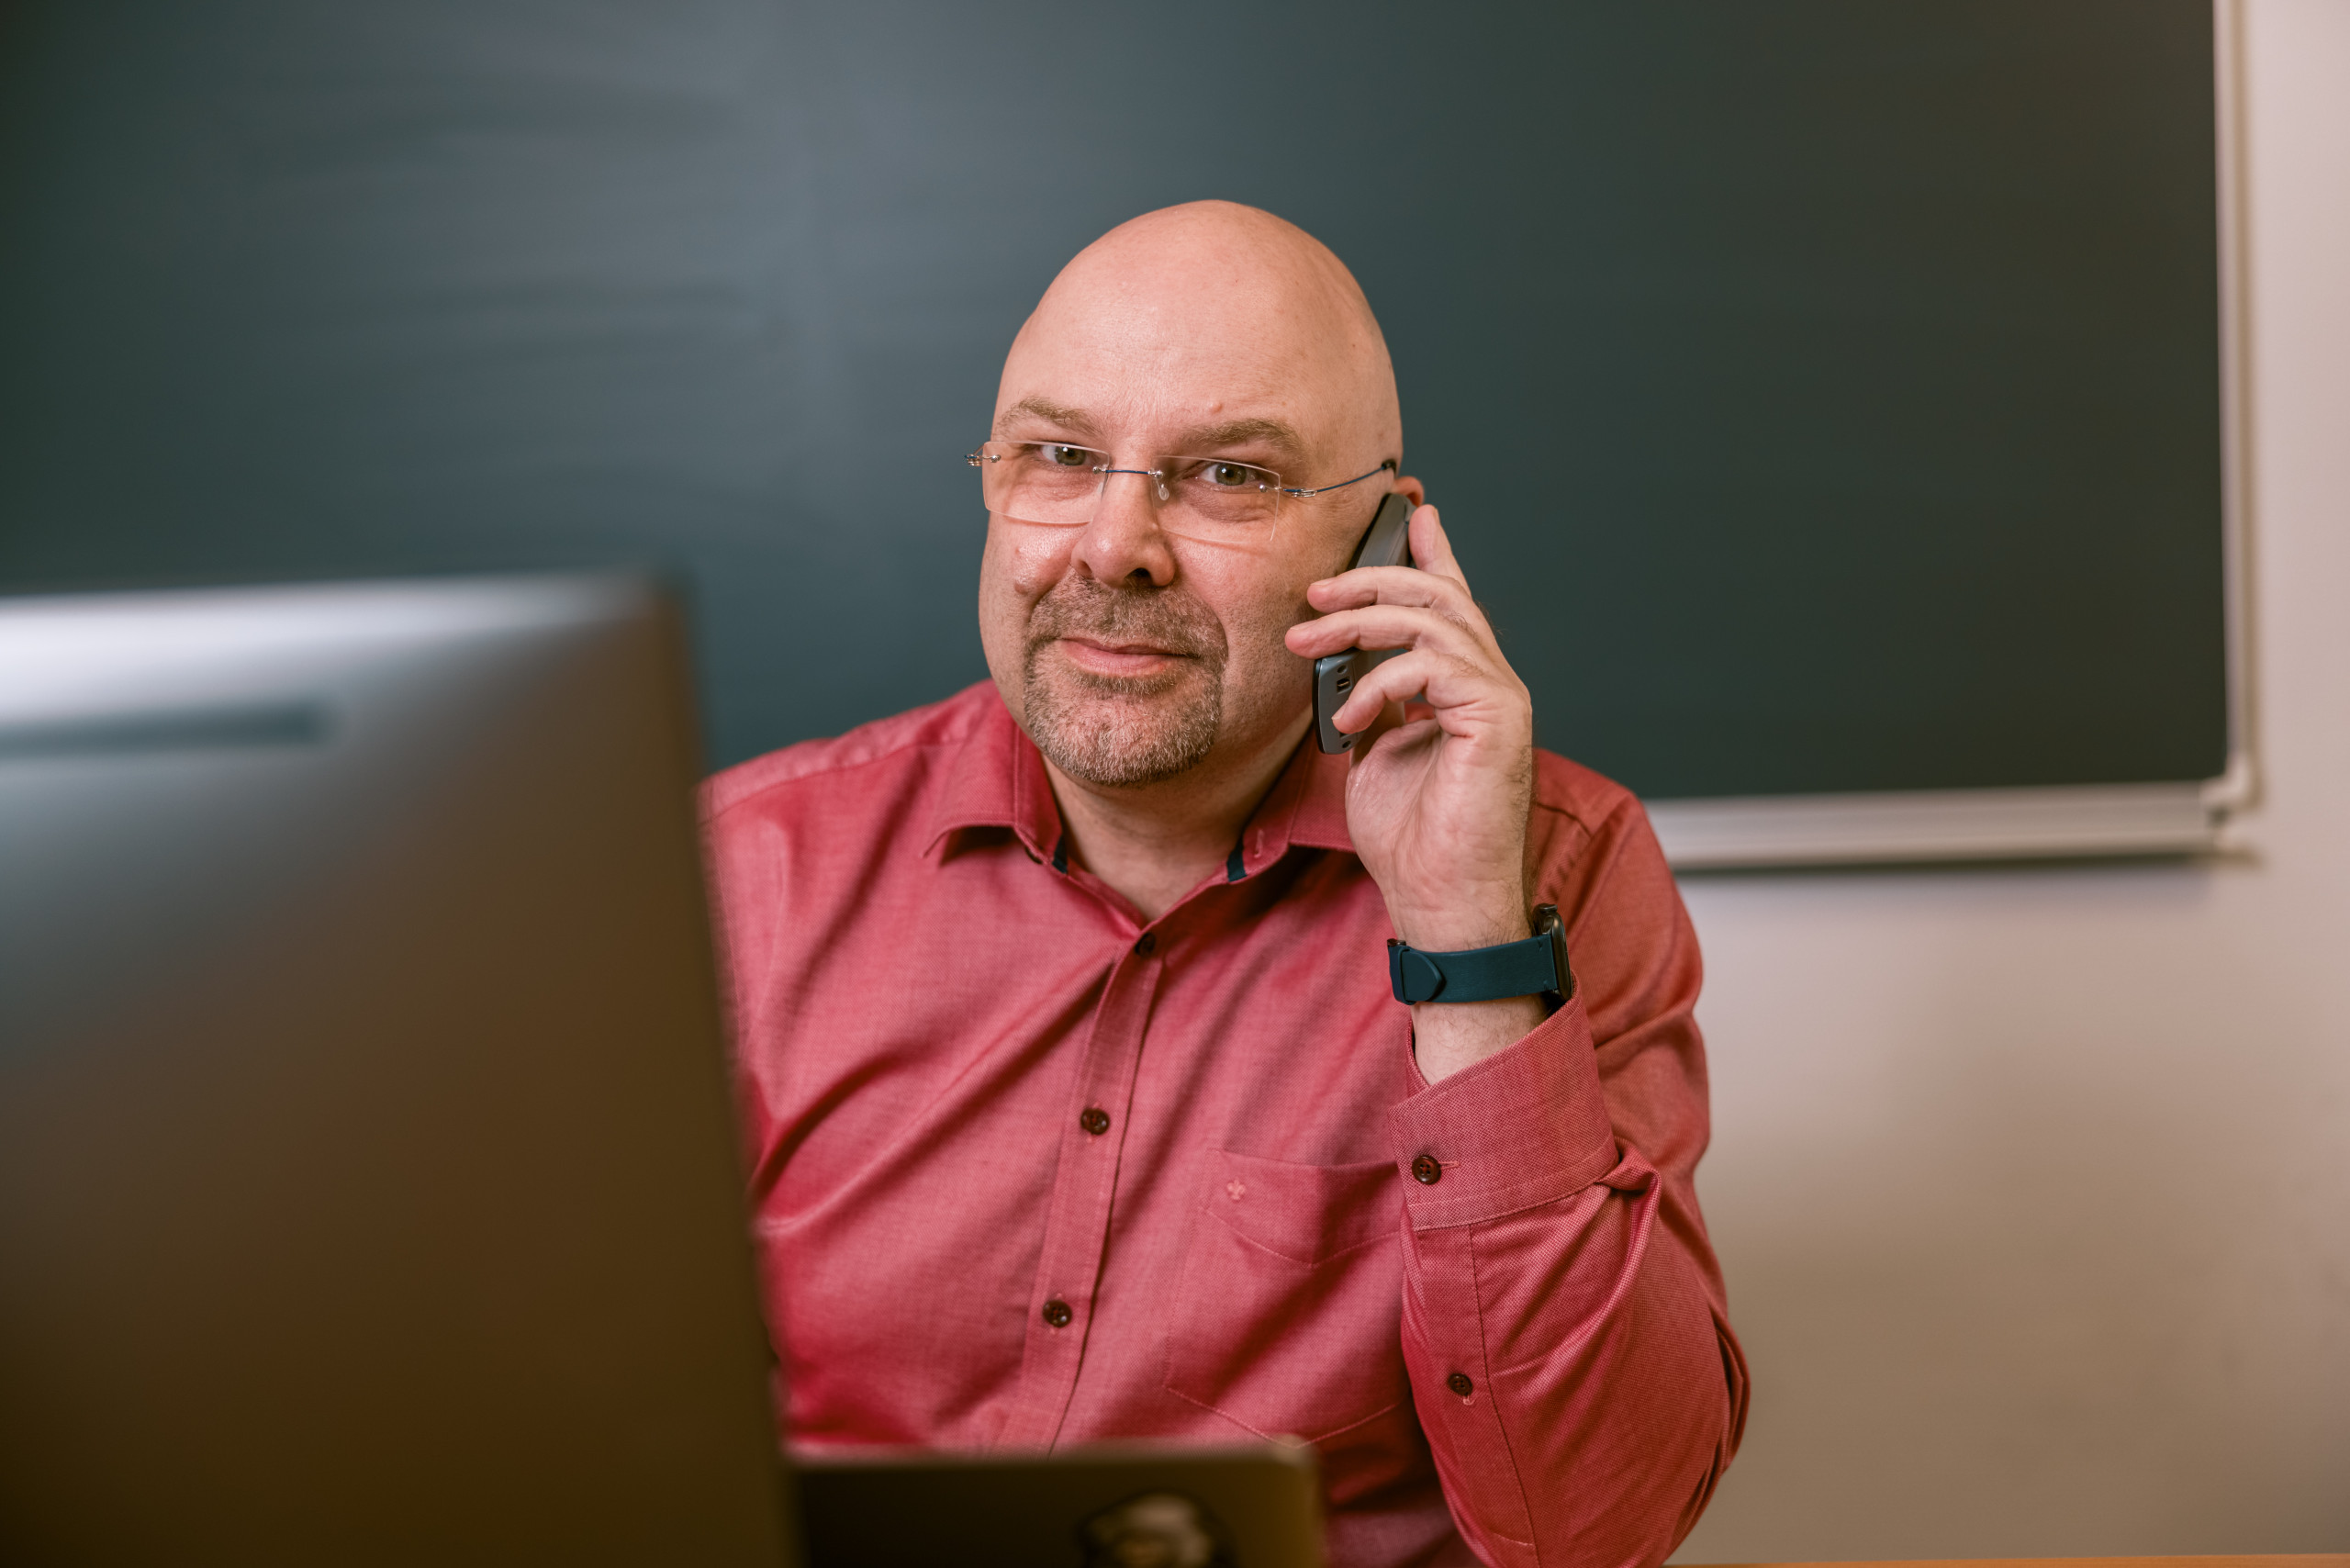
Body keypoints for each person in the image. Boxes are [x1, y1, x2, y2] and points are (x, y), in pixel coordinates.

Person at [702, 200, 1747, 1568]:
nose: (1113, 547)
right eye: (1061, 457)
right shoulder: (741, 870)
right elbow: (560, 1414)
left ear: (1380, 546)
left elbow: (1597, 1531)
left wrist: (1469, 949)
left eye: (1230, 479)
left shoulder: (1553, 872)